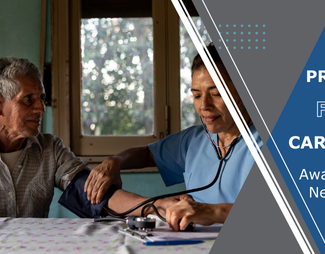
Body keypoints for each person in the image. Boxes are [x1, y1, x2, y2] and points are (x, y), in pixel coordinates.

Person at [85, 44, 262, 231]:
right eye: (196, 95)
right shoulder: (194, 141)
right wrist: (115, 162)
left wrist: (214, 212)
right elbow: (146, 154)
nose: (204, 105)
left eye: (217, 94)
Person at [0, 57, 91, 217]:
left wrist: (146, 208)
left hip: (33, 243)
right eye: (28, 99)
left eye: (42, 98)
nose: (41, 109)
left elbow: (89, 188)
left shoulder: (50, 148)